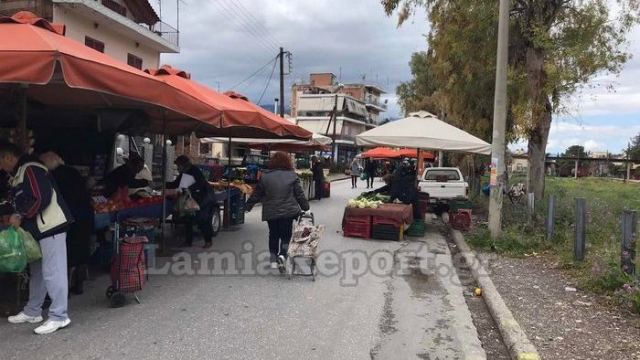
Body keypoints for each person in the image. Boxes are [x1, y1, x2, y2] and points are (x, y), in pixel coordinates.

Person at [1, 143, 73, 335]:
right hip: (38, 230)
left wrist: (20, 215)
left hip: (51, 226)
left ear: (8, 157)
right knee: (38, 271)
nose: (1, 167)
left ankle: (59, 316)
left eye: (1, 161)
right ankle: (33, 311)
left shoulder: (31, 168)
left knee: (53, 271)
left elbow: (42, 197)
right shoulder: (19, 174)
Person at [246, 152, 309, 273]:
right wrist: (306, 207)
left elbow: (257, 194)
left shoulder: (265, 177)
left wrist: (248, 206)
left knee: (273, 235)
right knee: (286, 236)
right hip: (288, 212)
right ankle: (282, 255)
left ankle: (274, 260)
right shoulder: (292, 176)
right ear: (287, 162)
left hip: (271, 212)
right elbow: (299, 194)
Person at [40, 152, 94, 295]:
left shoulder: (54, 176)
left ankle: (65, 289)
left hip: (68, 217)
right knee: (81, 250)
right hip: (84, 215)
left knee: (67, 254)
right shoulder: (73, 172)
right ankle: (79, 284)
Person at [167, 155, 216, 249]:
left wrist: (187, 189)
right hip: (192, 198)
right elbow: (176, 184)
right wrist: (163, 184)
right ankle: (188, 241)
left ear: (184, 165)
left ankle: (208, 241)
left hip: (204, 198)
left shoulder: (194, 171)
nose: (177, 168)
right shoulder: (184, 172)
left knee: (202, 219)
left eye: (178, 166)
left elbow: (199, 185)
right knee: (188, 219)